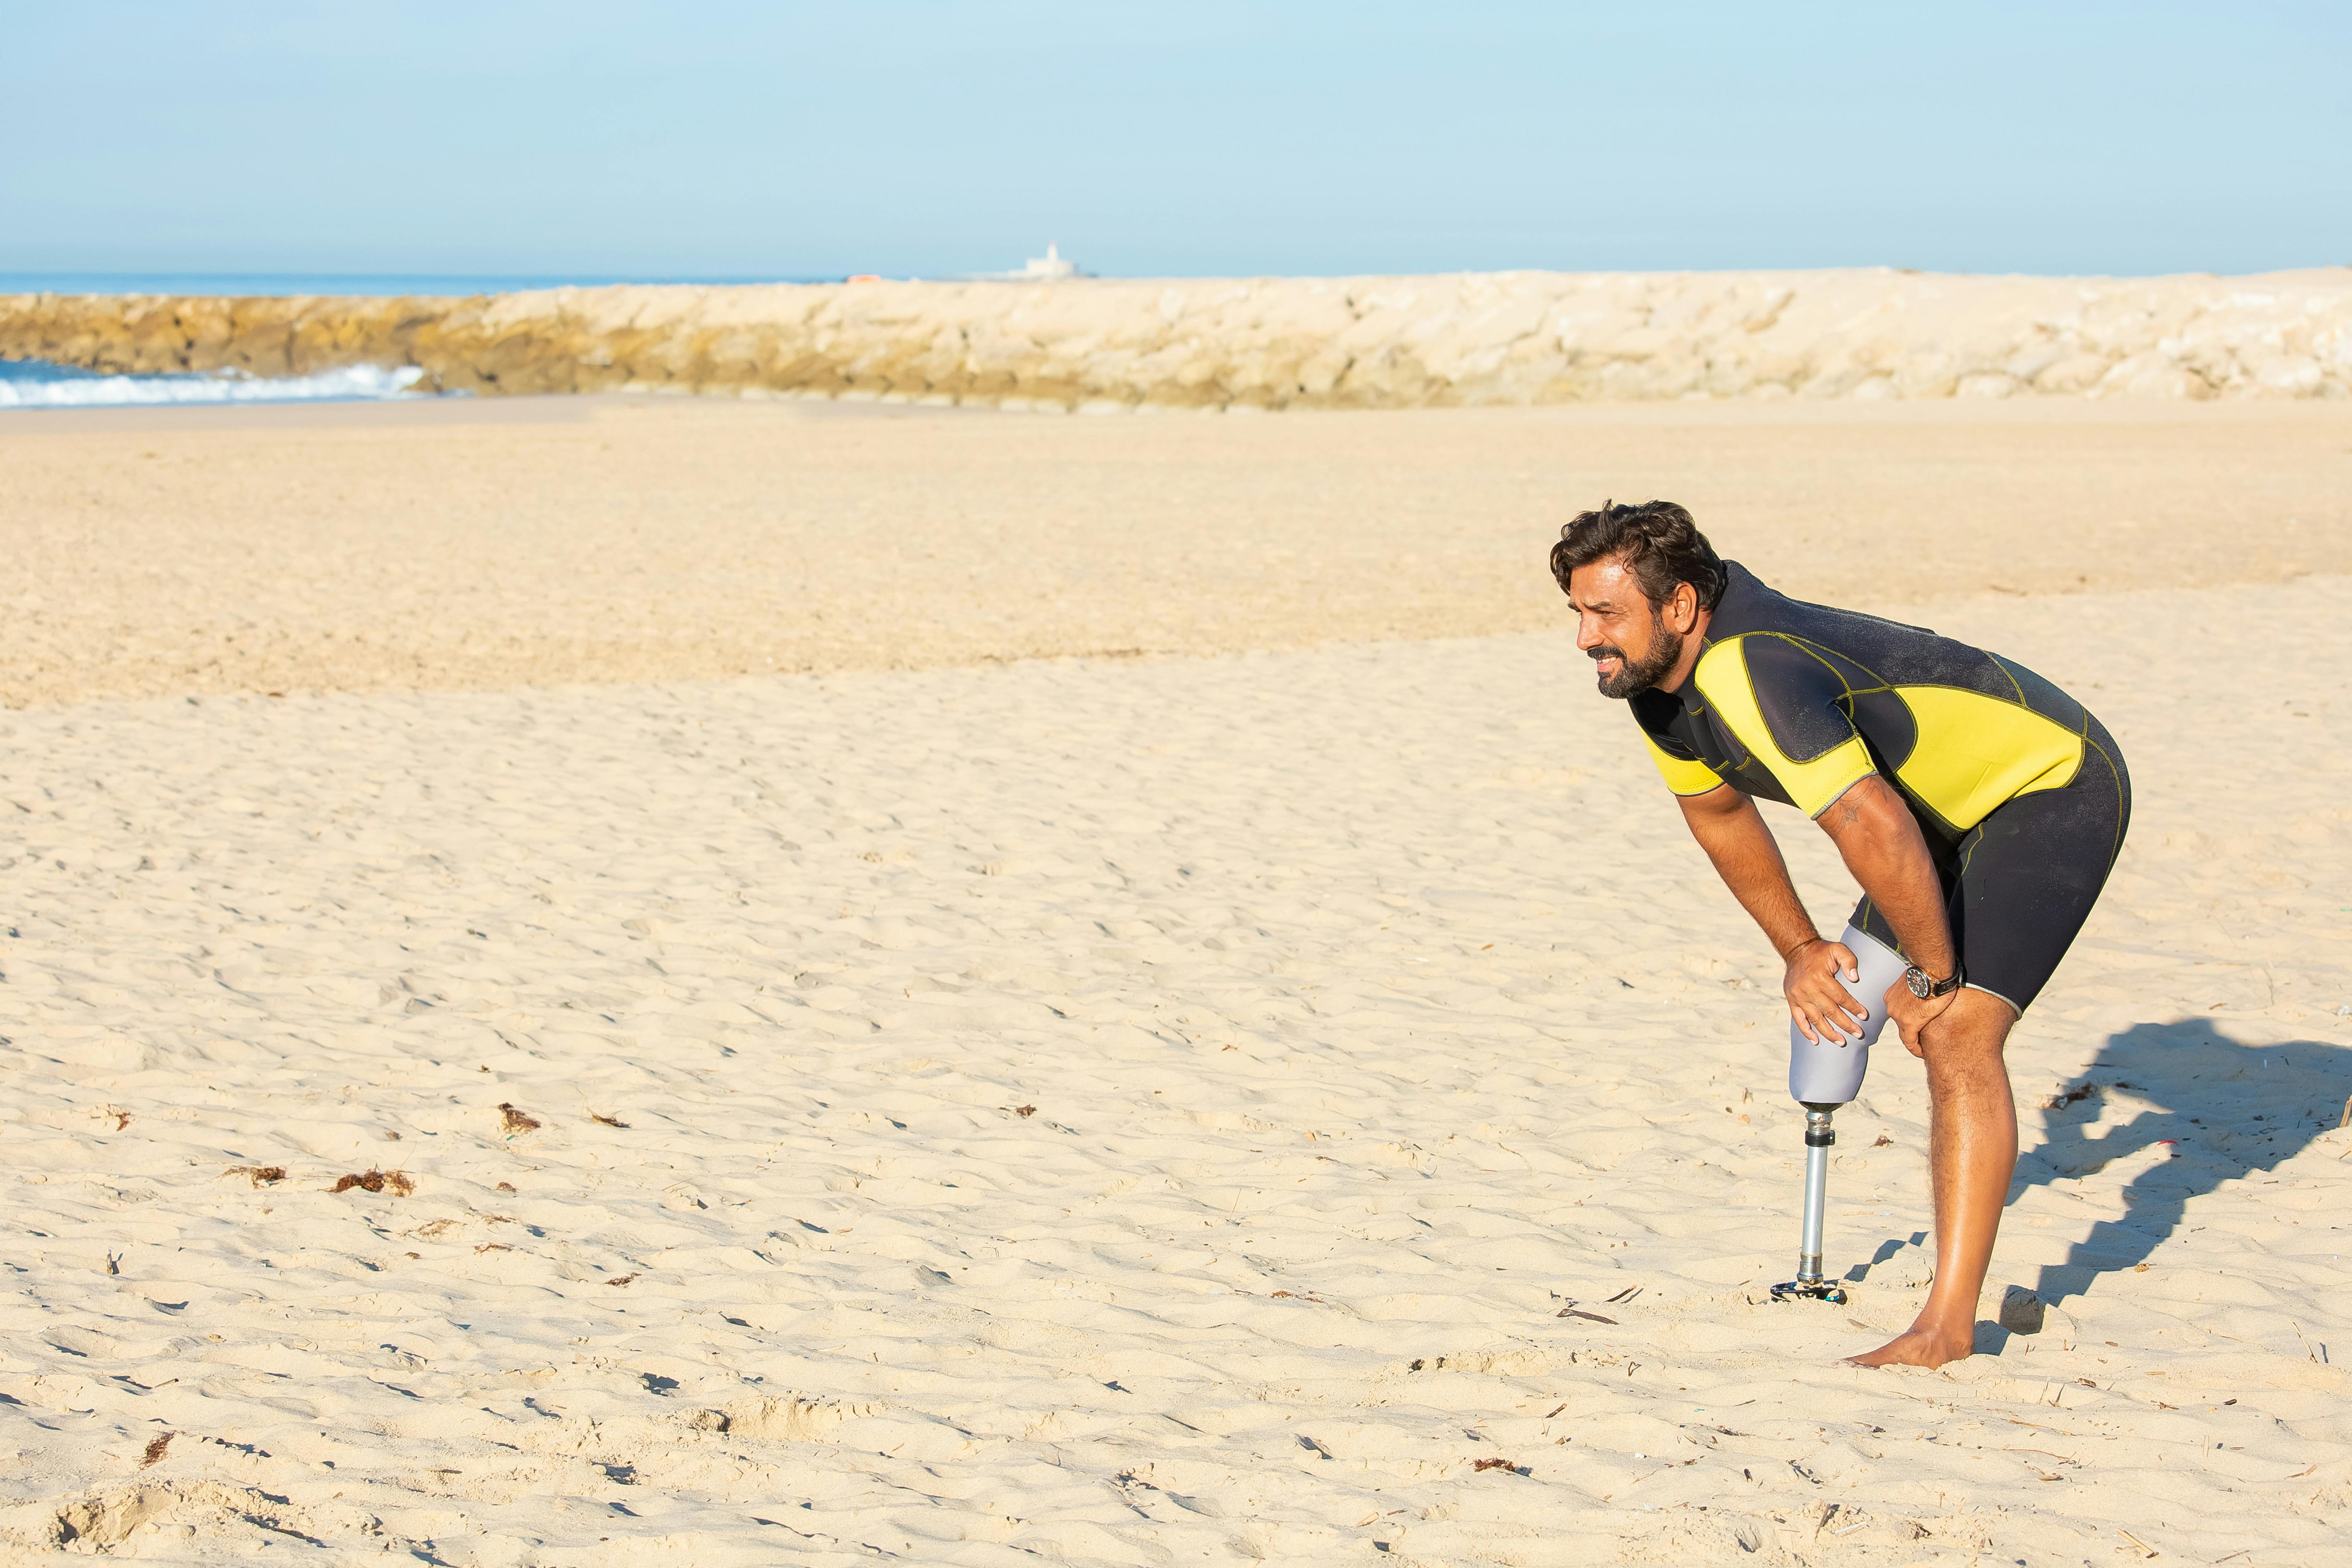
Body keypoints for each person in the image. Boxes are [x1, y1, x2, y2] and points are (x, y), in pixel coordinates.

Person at [1552, 499, 2130, 1368]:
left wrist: (1936, 979)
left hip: (2046, 785)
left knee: (1959, 1035)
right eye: (1579, 614)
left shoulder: (1753, 668)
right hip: (1934, 812)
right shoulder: (1657, 690)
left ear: (1678, 607)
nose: (1587, 637)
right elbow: (1717, 814)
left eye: (1606, 614)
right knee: (1837, 1009)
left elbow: (1870, 823)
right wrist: (1801, 949)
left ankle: (1947, 1325)